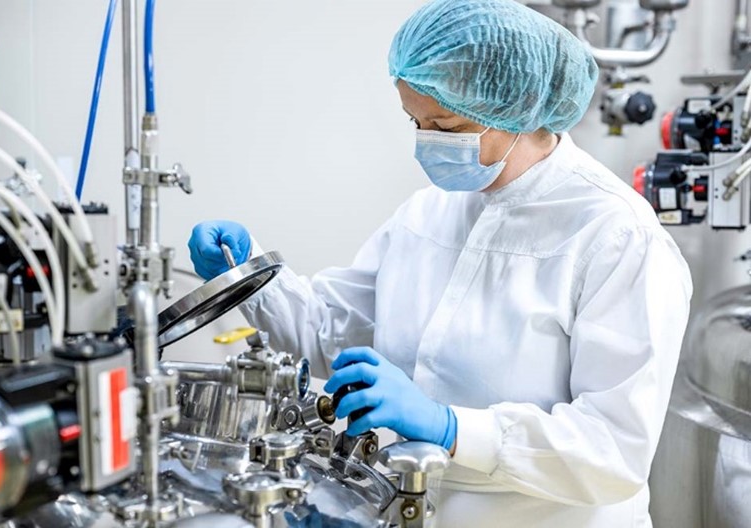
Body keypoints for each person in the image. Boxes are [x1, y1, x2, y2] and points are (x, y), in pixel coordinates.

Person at [188, 0, 692, 526]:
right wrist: (247, 277)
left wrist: (451, 427)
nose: (426, 143)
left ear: (517, 110)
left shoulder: (616, 236)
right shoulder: (429, 211)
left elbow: (614, 449)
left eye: (446, 126)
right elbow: (330, 332)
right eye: (417, 122)